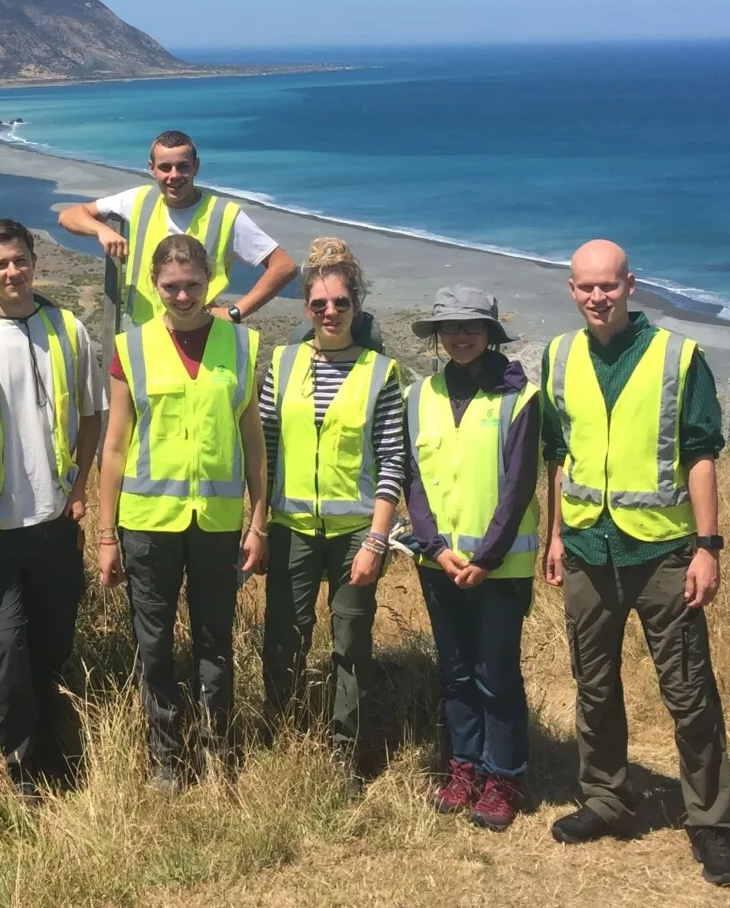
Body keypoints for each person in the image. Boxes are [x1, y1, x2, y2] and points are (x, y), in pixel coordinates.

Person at [542, 240, 730, 888]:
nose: (598, 298)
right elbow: (556, 454)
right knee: (593, 685)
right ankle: (605, 799)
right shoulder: (559, 355)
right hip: (585, 550)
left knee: (687, 692)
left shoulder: (679, 357)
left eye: (609, 286)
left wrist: (707, 548)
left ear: (630, 284)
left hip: (662, 553)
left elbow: (700, 454)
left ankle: (709, 822)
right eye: (585, 288)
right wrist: (552, 535)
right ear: (571, 290)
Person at [96, 233, 268, 791]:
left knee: (216, 640)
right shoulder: (133, 347)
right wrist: (104, 534)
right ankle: (167, 758)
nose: (183, 295)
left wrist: (258, 520)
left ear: (212, 280)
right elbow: (115, 446)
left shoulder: (242, 346)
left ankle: (219, 753)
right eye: (171, 286)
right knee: (155, 643)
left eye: (193, 284)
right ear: (154, 285)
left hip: (217, 524)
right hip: (147, 525)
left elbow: (252, 441)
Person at [0, 219, 107, 793]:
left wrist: (78, 494)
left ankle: (56, 759)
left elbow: (94, 414)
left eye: (20, 260)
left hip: (54, 522)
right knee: (3, 648)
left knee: (51, 644)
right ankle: (14, 775)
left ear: (34, 263)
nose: (12, 272)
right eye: (0, 264)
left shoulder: (66, 328)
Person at [258, 238, 404, 784]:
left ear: (356, 306)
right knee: (283, 638)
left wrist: (376, 541)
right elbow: (265, 450)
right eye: (319, 304)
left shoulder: (380, 373)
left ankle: (349, 756)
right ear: (305, 309)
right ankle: (283, 737)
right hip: (291, 527)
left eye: (341, 303)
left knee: (350, 643)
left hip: (354, 536)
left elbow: (392, 461)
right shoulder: (282, 361)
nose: (330, 312)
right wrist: (258, 524)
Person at [401, 286, 542, 832]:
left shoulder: (519, 399)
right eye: (450, 328)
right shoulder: (420, 397)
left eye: (472, 327)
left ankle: (504, 776)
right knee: (456, 673)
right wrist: (435, 548)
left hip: (499, 567)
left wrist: (485, 557)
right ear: (438, 337)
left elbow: (519, 486)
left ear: (489, 334)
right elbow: (414, 478)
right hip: (438, 564)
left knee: (496, 674)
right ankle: (463, 768)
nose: (460, 336)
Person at [57, 129, 296, 328]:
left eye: (182, 166)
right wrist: (102, 230)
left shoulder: (223, 214)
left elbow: (283, 266)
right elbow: (70, 216)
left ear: (196, 166)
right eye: (165, 167)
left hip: (200, 336)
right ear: (152, 168)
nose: (174, 176)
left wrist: (236, 311)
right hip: (143, 336)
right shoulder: (138, 201)